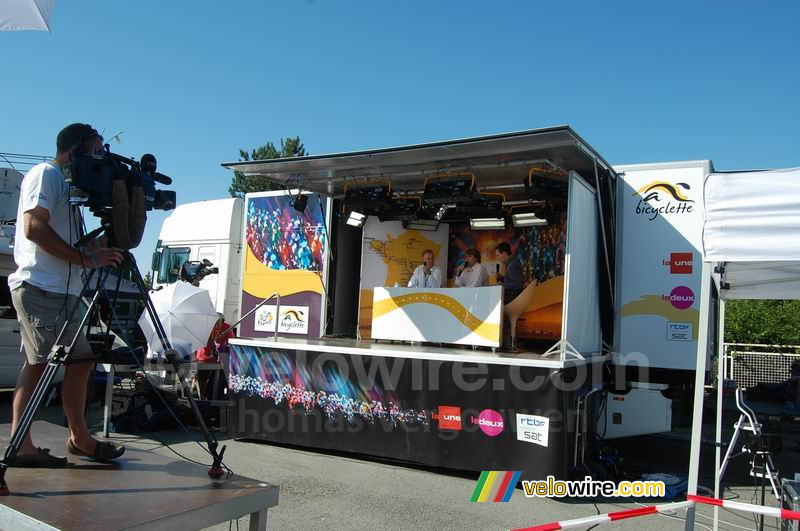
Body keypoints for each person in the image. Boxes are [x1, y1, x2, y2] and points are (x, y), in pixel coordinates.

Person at [7, 123, 126, 467]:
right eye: (96, 150)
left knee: (81, 361)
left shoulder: (69, 191)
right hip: (40, 287)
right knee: (41, 366)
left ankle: (79, 439)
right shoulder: (47, 174)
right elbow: (33, 227)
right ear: (76, 150)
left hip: (62, 292)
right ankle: (21, 446)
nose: (100, 158)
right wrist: (86, 259)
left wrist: (101, 245)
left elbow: (71, 244)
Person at [194, 313, 234, 400]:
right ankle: (202, 397)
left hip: (220, 357)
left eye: (219, 322)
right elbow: (201, 341)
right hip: (204, 356)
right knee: (202, 376)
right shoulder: (206, 327)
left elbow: (231, 342)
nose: (216, 324)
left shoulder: (226, 327)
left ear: (222, 321)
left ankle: (216, 396)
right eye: (214, 322)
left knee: (220, 377)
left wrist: (220, 346)